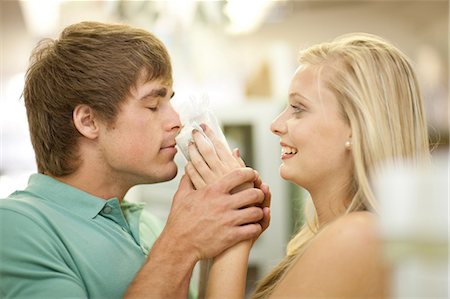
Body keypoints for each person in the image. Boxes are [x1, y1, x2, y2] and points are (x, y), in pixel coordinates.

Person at [0, 21, 271, 299]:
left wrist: (230, 229)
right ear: (89, 121)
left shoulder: (148, 227)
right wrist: (182, 242)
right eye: (154, 105)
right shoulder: (15, 225)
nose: (176, 122)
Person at [186, 33, 431, 298]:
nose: (276, 124)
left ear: (356, 128)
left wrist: (235, 231)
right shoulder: (335, 234)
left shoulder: (356, 236)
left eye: (298, 108)